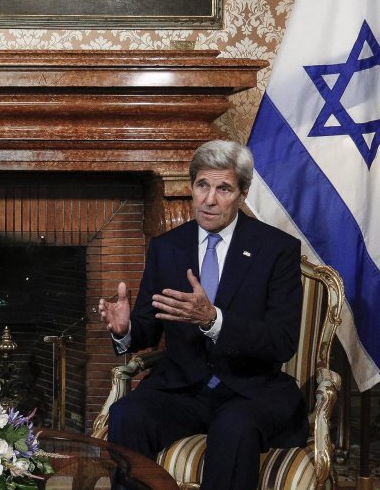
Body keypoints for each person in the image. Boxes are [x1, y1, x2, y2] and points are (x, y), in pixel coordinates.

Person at [98, 140, 306, 490]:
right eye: (202, 186)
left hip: (250, 390)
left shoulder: (277, 250)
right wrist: (126, 329)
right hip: (182, 388)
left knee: (234, 428)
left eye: (223, 188)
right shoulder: (167, 247)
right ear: (191, 187)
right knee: (127, 414)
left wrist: (213, 320)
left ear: (242, 193)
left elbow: (282, 342)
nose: (209, 200)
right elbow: (149, 329)